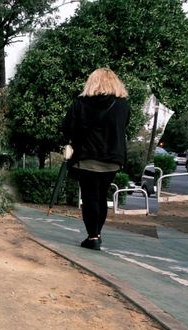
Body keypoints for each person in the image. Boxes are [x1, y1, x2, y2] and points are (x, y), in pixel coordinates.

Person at [62, 68, 130, 250]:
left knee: (90, 196)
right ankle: (97, 234)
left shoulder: (80, 103)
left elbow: (67, 128)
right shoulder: (122, 105)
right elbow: (123, 128)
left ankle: (92, 237)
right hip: (113, 158)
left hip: (87, 156)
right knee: (101, 196)